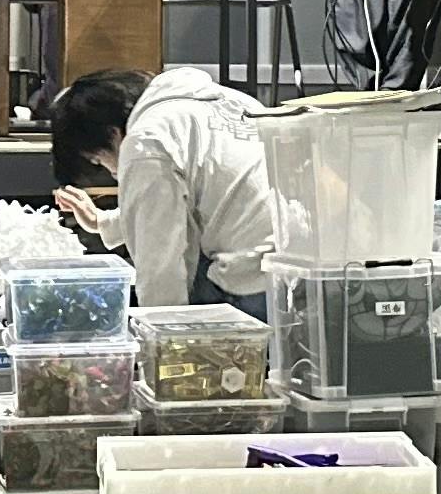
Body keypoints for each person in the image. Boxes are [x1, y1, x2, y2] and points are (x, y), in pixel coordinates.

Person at [45, 66, 280, 313]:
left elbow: (159, 261)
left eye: (98, 160)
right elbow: (223, 194)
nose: (112, 172)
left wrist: (162, 330)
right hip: (297, 266)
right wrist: (102, 222)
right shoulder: (233, 101)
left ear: (112, 133)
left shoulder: (145, 141)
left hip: (251, 279)